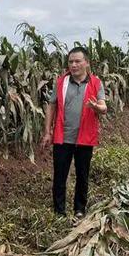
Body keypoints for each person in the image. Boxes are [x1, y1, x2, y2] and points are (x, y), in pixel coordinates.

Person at [41, 46, 107, 218]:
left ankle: (79, 209)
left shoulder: (96, 83)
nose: (74, 65)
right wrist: (47, 132)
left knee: (82, 175)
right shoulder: (61, 82)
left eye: (78, 61)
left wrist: (96, 107)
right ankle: (59, 211)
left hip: (85, 138)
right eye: (71, 61)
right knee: (60, 175)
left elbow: (104, 107)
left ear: (86, 63)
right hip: (62, 137)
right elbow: (52, 105)